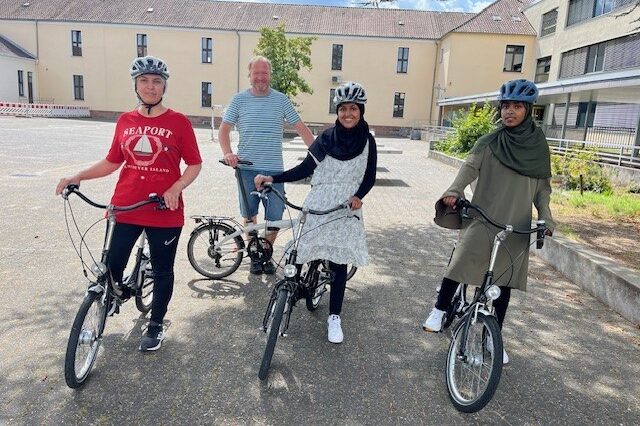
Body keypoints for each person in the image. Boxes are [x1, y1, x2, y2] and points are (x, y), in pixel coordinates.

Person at [55, 56, 202, 352]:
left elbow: (194, 164)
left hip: (164, 211)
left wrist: (177, 186)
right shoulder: (125, 121)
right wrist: (78, 175)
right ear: (136, 84)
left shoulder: (179, 122)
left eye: (156, 81)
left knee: (162, 270)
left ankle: (156, 324)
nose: (150, 86)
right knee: (111, 267)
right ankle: (110, 299)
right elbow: (112, 161)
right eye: (145, 81)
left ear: (164, 86)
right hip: (126, 207)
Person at [422, 79, 555, 364]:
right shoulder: (490, 142)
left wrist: (546, 216)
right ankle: (440, 308)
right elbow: (468, 170)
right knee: (460, 262)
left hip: (516, 225)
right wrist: (453, 191)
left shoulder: (539, 148)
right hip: (483, 217)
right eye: (505, 106)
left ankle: (492, 337)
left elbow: (543, 190)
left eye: (517, 106)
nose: (509, 112)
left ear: (528, 110)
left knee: (503, 286)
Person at [254, 81, 377, 344]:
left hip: (345, 206)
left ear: (361, 111)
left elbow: (369, 176)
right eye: (343, 109)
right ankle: (287, 295)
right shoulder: (326, 138)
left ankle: (334, 317)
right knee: (300, 251)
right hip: (320, 200)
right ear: (337, 111)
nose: (348, 114)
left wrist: (359, 196)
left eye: (353, 109)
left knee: (338, 262)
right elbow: (304, 168)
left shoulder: (368, 142)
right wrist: (272, 178)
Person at [218, 56, 315, 275]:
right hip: (246, 168)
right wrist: (228, 153)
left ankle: (266, 253)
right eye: (256, 73)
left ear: (270, 75)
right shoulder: (239, 100)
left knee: (275, 216)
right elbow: (224, 130)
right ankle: (254, 255)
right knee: (250, 213)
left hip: (274, 170)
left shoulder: (281, 100)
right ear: (249, 75)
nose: (260, 77)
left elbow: (301, 127)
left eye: (265, 73)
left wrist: (320, 154)